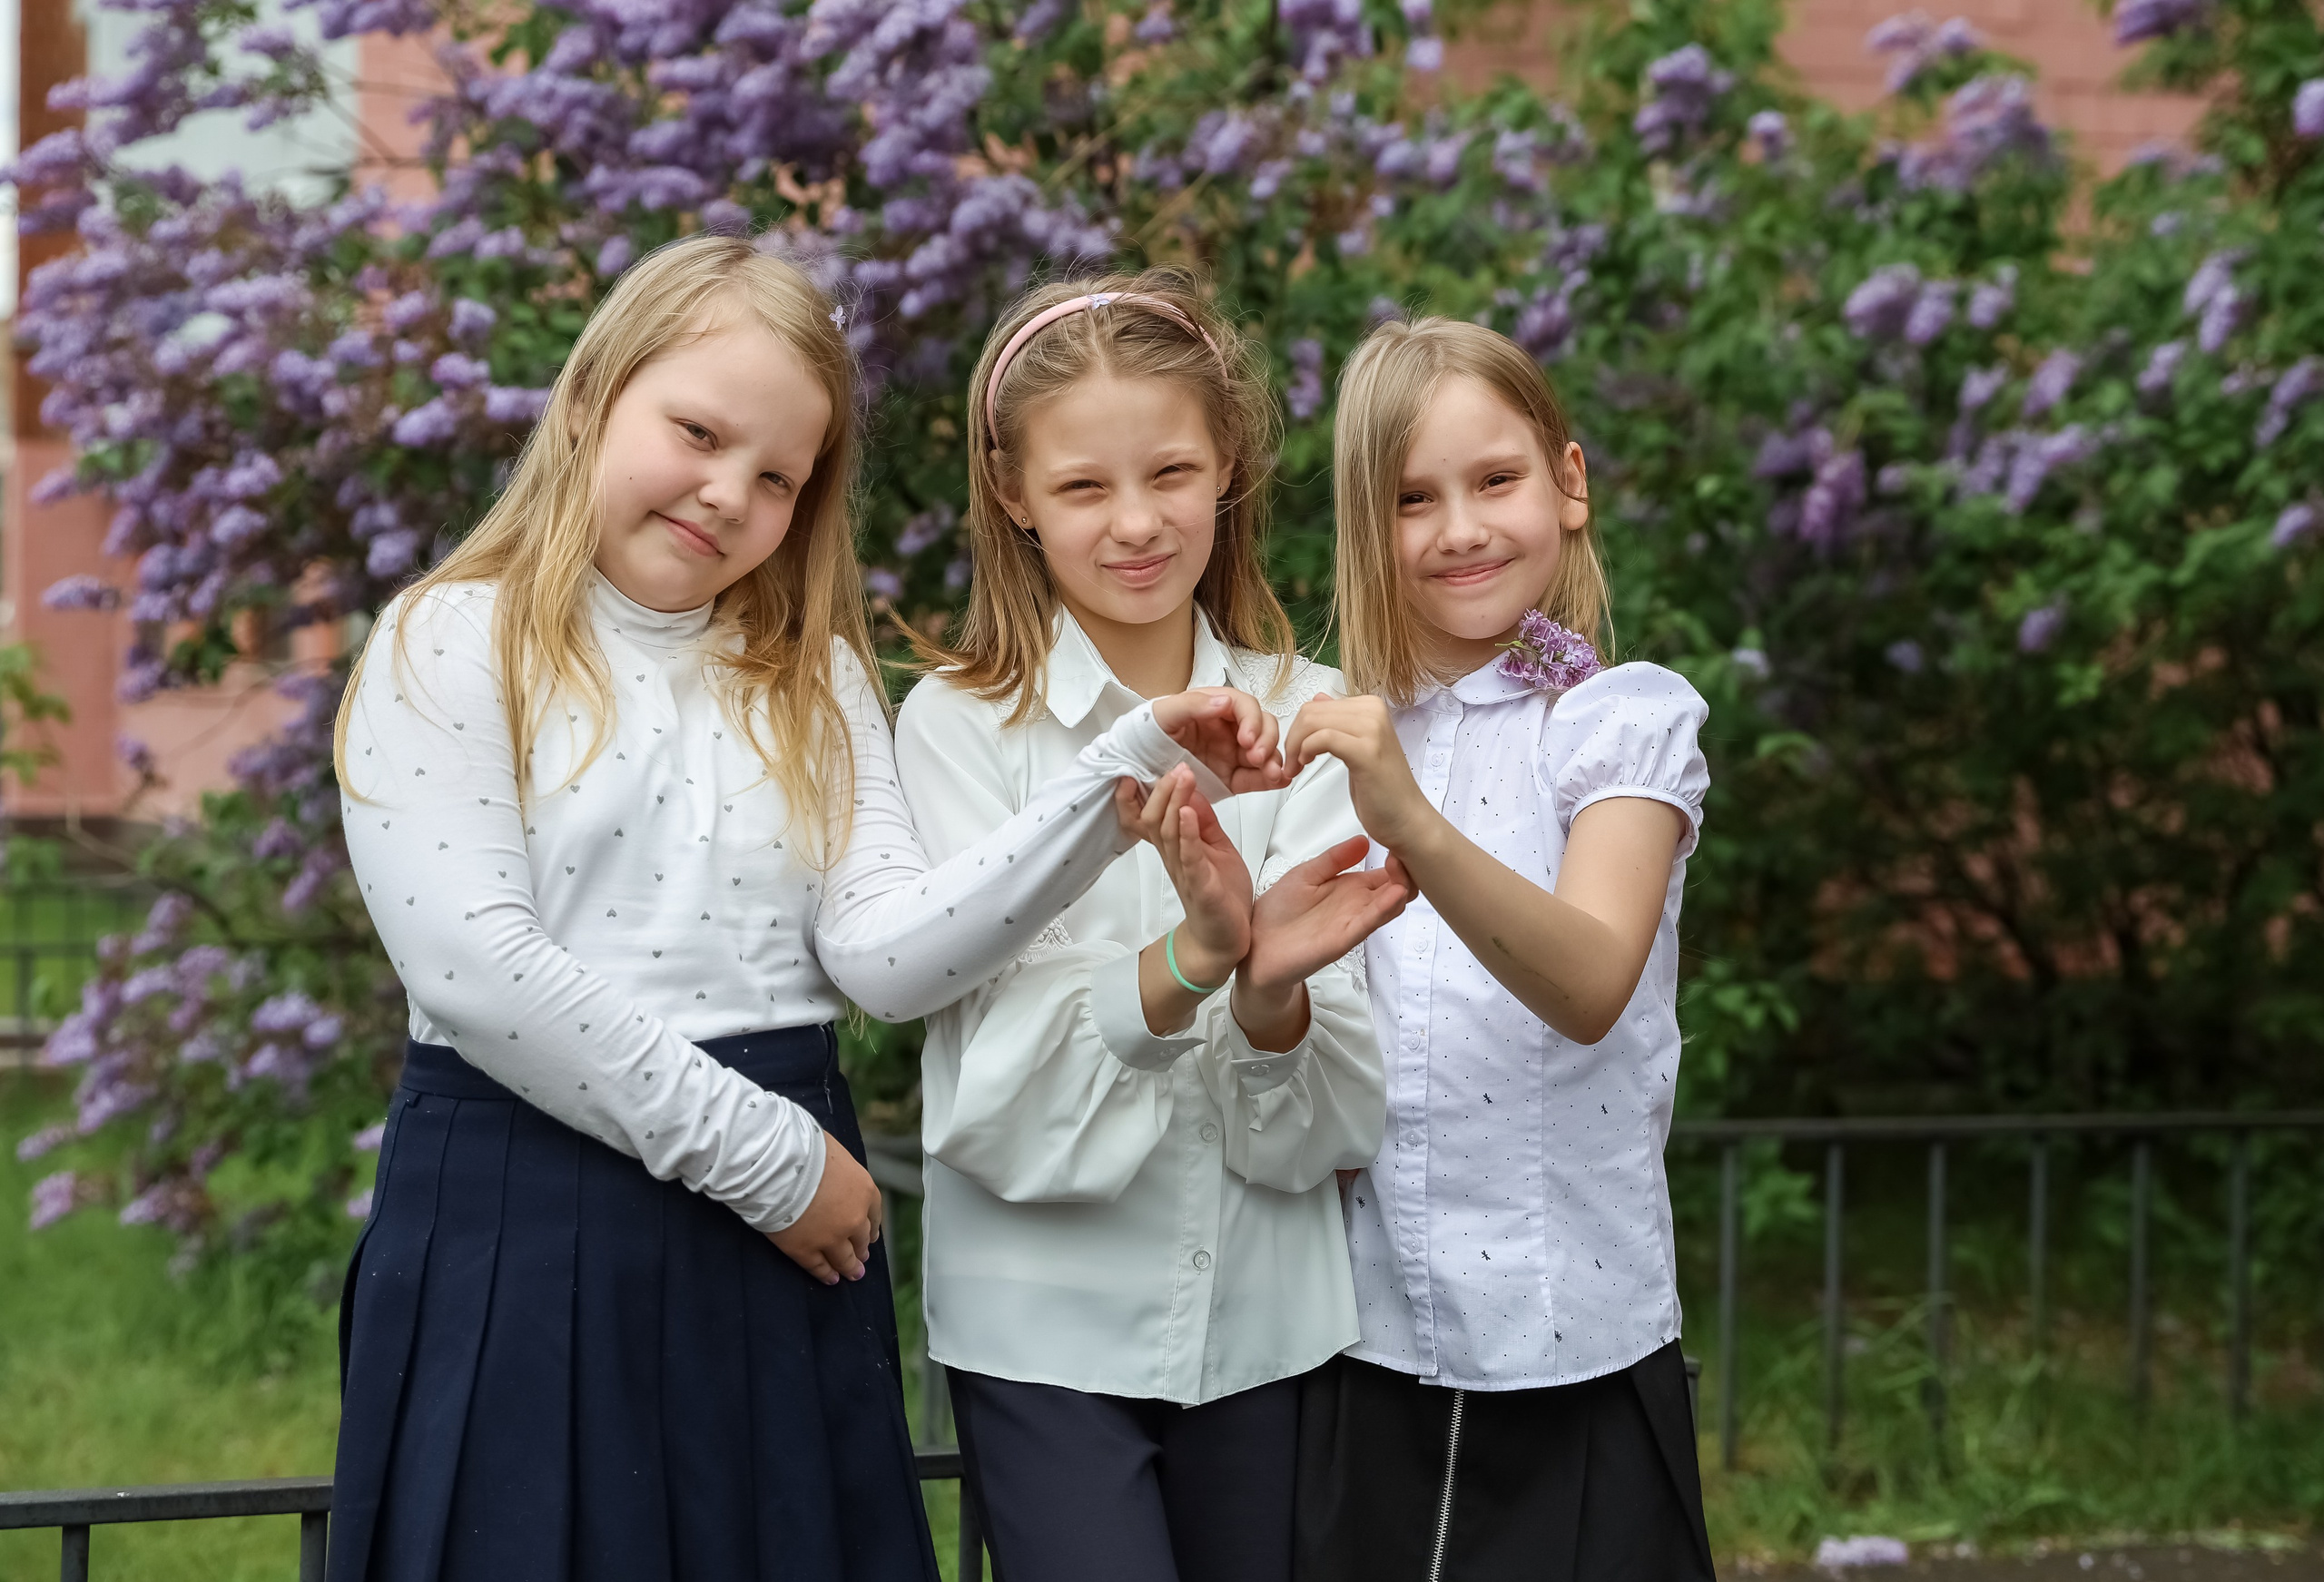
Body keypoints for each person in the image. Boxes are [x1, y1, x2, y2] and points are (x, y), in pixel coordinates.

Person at [328, 235, 1288, 1582]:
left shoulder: (811, 673)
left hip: (784, 1249)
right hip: (536, 1206)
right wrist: (771, 1166)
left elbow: (887, 959)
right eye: (699, 433)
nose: (727, 492)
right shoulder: (452, 637)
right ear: (596, 394)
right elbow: (479, 972)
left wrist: (1125, 770)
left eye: (777, 475)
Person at [893, 270, 1413, 1582]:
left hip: (1263, 1317)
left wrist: (1268, 993)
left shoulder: (1314, 713)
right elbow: (986, 1095)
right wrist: (1190, 960)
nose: (1136, 523)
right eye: (1082, 488)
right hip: (1040, 1330)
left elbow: (1329, 1124)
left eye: (1171, 472)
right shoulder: (960, 729)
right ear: (1012, 494)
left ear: (1227, 463)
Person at [1285, 317, 1718, 1582]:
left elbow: (1589, 979)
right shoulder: (1346, 730)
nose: (1460, 527)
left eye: (1495, 480)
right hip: (1367, 1352)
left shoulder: (1623, 721)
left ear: (1568, 485)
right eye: (1411, 498)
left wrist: (1410, 823)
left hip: (1571, 1347)